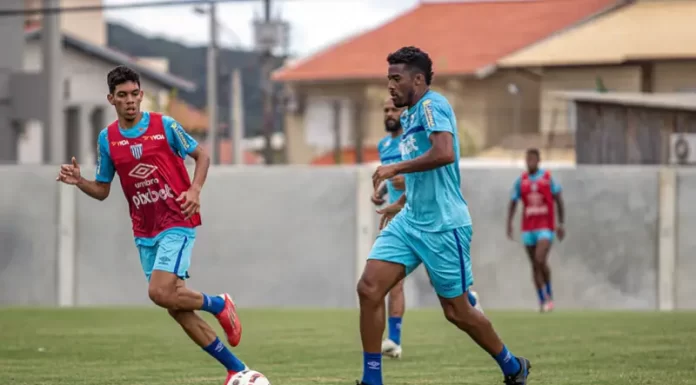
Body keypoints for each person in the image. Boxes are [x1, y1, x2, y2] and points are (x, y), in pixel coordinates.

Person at [56, 65, 246, 385]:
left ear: (141, 95)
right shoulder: (108, 139)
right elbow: (103, 190)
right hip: (145, 231)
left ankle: (218, 304)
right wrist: (80, 182)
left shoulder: (165, 126)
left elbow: (202, 156)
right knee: (176, 307)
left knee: (159, 292)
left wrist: (194, 190)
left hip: (177, 219)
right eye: (122, 96)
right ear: (111, 99)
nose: (130, 101)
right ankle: (237, 369)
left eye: (134, 94)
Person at [356, 46, 530, 385]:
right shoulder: (409, 116)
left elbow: (444, 153)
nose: (390, 86)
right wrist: (401, 202)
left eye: (396, 78)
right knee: (369, 288)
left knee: (458, 311)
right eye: (388, 78)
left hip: (443, 225)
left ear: (418, 79)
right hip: (410, 221)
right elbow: (425, 173)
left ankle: (512, 365)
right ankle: (371, 380)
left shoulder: (434, 105)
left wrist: (395, 168)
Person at [372, 97, 483, 360]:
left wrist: (398, 178)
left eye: (394, 109)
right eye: (385, 109)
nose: (389, 113)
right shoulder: (384, 144)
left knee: (447, 292)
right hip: (403, 219)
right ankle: (394, 341)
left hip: (432, 218)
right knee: (387, 281)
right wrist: (382, 191)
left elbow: (417, 174)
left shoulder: (417, 137)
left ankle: (468, 300)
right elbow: (397, 179)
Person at [506, 148, 565, 313]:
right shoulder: (521, 181)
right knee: (534, 265)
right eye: (527, 159)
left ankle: (549, 294)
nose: (529, 162)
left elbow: (559, 200)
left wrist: (561, 224)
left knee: (540, 259)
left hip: (545, 227)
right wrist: (509, 223)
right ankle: (542, 300)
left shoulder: (547, 178)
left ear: (538, 161)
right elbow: (513, 202)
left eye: (532, 159)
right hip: (528, 229)